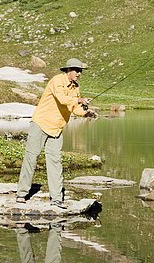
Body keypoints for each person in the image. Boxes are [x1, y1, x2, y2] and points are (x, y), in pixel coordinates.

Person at [16, 58, 96, 209]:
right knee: (31, 158)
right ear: (68, 70)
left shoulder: (75, 88)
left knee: (55, 163)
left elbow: (73, 108)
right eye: (76, 70)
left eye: (80, 71)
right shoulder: (57, 80)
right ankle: (21, 193)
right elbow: (62, 99)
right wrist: (79, 99)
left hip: (56, 129)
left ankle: (57, 199)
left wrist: (85, 113)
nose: (79, 73)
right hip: (41, 124)